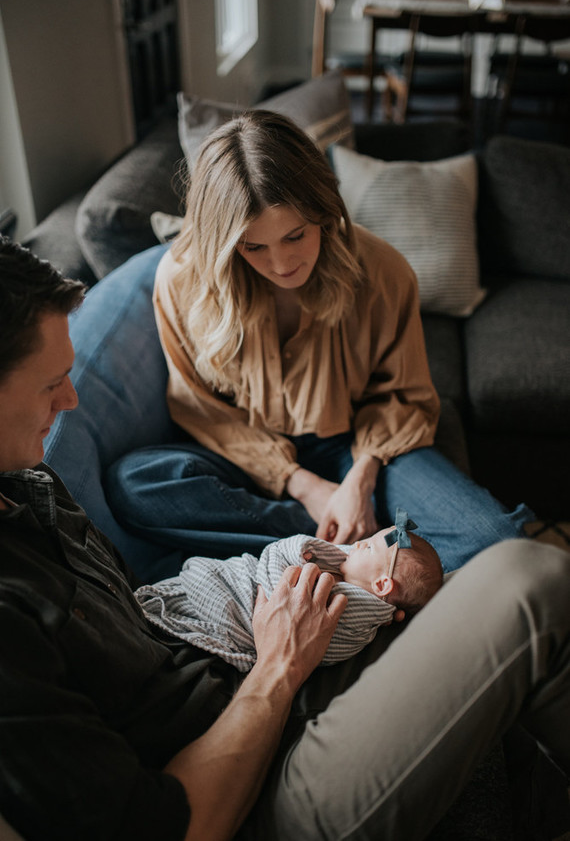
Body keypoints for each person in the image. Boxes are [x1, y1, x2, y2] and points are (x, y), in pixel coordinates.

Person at [2, 237, 570, 841]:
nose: (72, 400)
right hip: (248, 791)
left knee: (463, 586)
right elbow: (176, 828)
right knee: (527, 581)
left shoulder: (31, 486)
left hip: (244, 681)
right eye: (51, 383)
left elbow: (145, 623)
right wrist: (277, 665)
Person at [105, 109, 532, 573]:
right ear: (226, 243)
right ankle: (359, 550)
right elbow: (202, 411)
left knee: (498, 544)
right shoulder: (183, 281)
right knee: (135, 484)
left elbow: (403, 395)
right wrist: (306, 487)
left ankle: (336, 546)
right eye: (253, 247)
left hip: (357, 446)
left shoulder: (383, 271)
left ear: (323, 212)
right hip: (249, 456)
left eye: (296, 235)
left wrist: (359, 483)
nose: (282, 263)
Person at [136, 510, 443, 671]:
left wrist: (298, 552)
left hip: (241, 608)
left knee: (192, 580)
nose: (357, 543)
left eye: (367, 546)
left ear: (381, 585)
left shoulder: (351, 611)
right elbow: (345, 553)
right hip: (244, 590)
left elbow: (275, 569)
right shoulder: (361, 591)